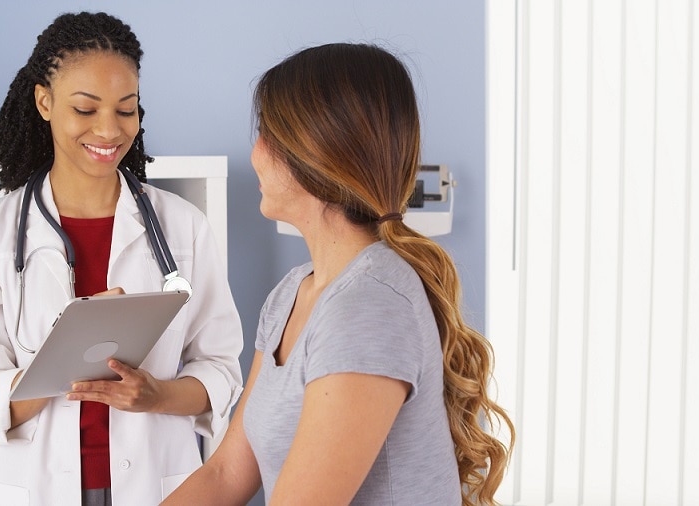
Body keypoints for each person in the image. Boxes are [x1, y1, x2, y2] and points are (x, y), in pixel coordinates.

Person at [162, 43, 514, 506]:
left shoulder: (369, 304)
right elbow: (227, 474)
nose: (255, 154)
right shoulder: (292, 294)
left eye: (265, 133)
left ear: (314, 153)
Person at [0, 12, 243, 506]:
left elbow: (219, 368)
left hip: (158, 485)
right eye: (85, 109)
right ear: (44, 102)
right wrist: (68, 352)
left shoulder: (183, 227)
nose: (109, 130)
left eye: (126, 109)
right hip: (38, 488)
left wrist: (157, 395)